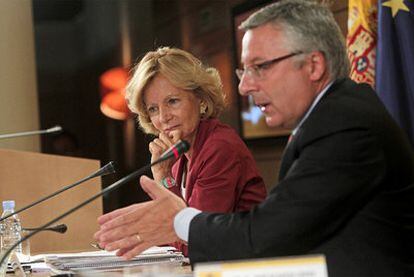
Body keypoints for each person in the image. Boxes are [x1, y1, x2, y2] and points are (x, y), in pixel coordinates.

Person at [94, 1, 414, 276]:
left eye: (260, 67)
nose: (245, 86)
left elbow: (268, 235)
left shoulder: (345, 126)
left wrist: (179, 221)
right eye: (243, 71)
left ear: (314, 65)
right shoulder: (330, 117)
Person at [123, 47, 267, 255]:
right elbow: (172, 234)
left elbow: (196, 241)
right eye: (153, 109)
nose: (163, 117)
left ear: (200, 99)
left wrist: (163, 177)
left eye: (172, 101)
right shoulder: (180, 154)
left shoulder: (219, 148)